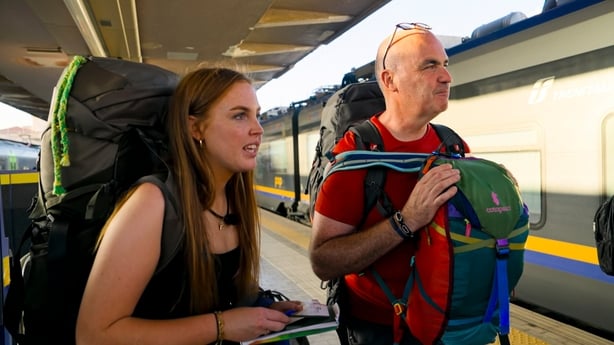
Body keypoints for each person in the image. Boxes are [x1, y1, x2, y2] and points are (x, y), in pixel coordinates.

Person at [76, 67, 302, 345]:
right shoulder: (152, 203)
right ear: (195, 128)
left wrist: (259, 311)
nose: (258, 129)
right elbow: (93, 335)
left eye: (257, 114)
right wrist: (221, 326)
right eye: (240, 115)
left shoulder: (234, 199)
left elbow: (218, 297)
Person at [309, 23, 468, 345]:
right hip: (379, 331)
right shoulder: (356, 154)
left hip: (446, 324)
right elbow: (323, 262)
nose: (446, 77)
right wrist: (407, 220)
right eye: (429, 65)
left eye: (445, 65)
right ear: (389, 80)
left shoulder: (453, 146)